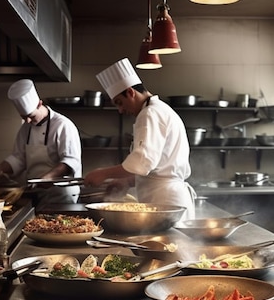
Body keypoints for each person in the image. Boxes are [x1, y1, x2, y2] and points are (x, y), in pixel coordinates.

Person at [83, 58, 196, 218]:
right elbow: (158, 167)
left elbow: (142, 161)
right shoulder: (159, 109)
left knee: (169, 243)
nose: (121, 110)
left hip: (165, 201)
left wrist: (103, 173)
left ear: (130, 92)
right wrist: (127, 181)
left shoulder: (149, 113)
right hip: (168, 199)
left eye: (120, 103)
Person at [0, 79, 82, 208]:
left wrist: (47, 178)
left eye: (30, 116)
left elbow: (69, 161)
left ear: (39, 104)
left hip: (60, 194)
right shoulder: (26, 128)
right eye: (23, 116)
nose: (27, 120)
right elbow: (18, 158)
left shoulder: (63, 125)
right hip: (35, 191)